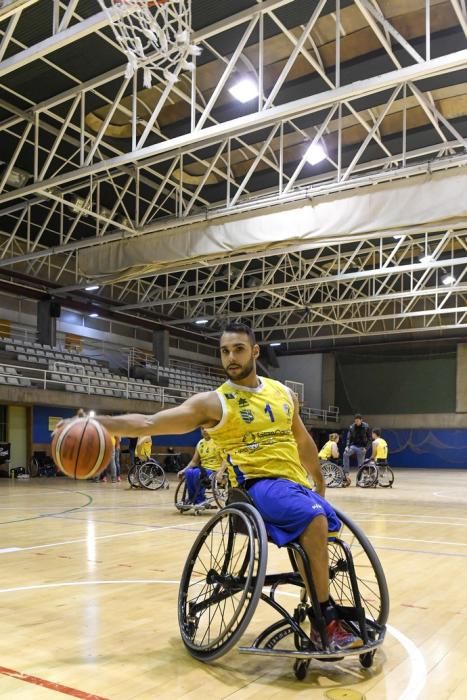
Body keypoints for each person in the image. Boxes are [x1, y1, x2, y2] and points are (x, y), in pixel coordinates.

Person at [61, 322, 362, 650]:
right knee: (315, 519)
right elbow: (149, 423)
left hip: (293, 484)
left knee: (325, 527)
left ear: (255, 351)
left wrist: (318, 480)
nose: (231, 357)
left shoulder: (284, 394)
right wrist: (95, 422)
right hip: (254, 485)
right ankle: (325, 621)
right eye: (224, 351)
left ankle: (316, 606)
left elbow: (302, 439)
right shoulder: (213, 403)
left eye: (238, 349)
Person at [177, 429, 223, 508]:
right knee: (189, 472)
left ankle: (200, 499)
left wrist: (221, 471)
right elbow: (194, 462)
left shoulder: (219, 442)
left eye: (207, 428)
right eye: (202, 428)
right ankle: (192, 498)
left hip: (214, 470)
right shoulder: (200, 443)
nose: (204, 430)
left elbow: (226, 459)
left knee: (197, 473)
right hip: (203, 469)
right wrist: (184, 470)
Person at [343, 414, 372, 486]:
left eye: (358, 421)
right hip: (353, 446)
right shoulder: (352, 427)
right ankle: (346, 473)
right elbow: (348, 438)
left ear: (361, 421)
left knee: (360, 465)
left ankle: (358, 481)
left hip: (362, 447)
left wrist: (366, 448)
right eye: (355, 421)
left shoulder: (366, 427)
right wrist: (347, 446)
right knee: (345, 454)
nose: (357, 422)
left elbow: (370, 439)